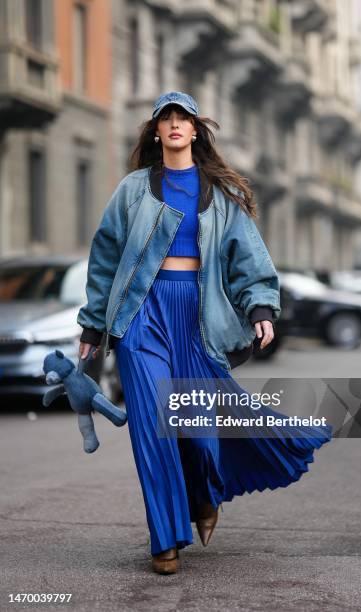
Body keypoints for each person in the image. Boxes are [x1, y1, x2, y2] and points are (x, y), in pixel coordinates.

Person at [77, 91, 332, 575]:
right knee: (155, 426)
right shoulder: (133, 189)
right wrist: (93, 322)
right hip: (141, 314)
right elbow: (106, 255)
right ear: (156, 131)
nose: (174, 125)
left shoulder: (217, 191)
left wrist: (260, 306)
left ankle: (204, 494)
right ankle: (165, 539)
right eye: (166, 119)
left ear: (196, 131)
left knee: (197, 432)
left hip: (197, 317)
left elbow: (248, 255)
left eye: (183, 119)